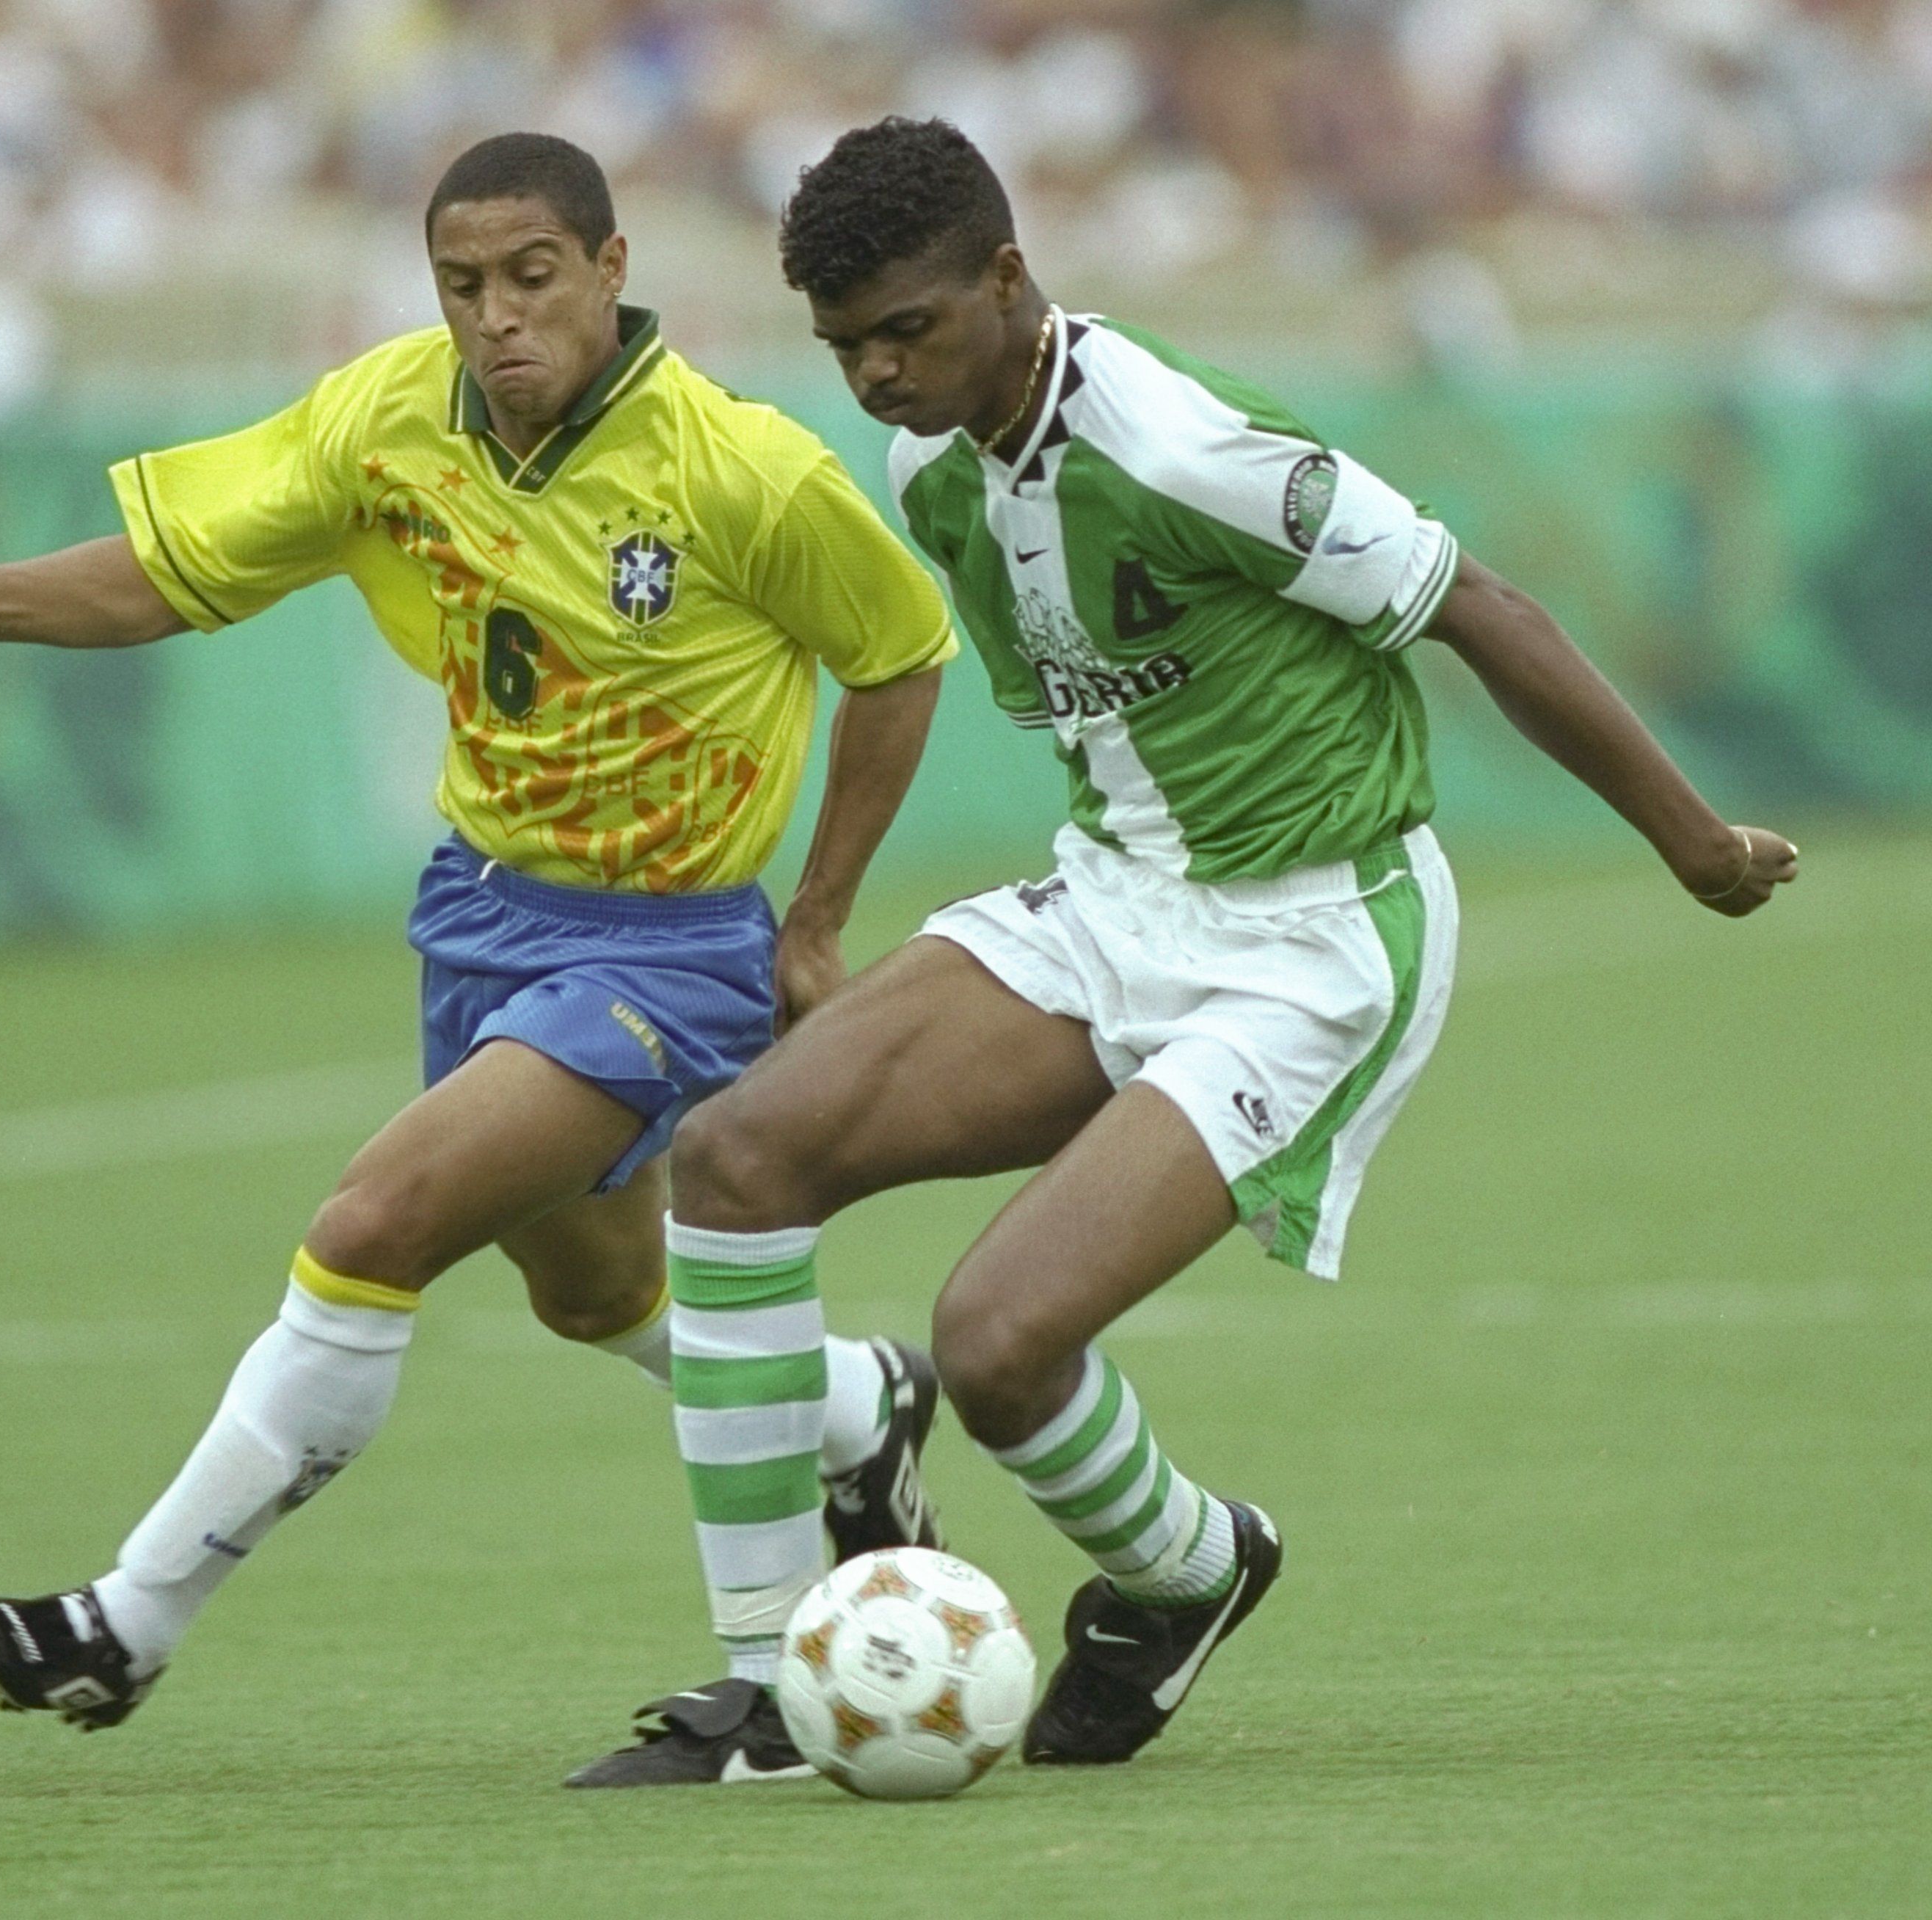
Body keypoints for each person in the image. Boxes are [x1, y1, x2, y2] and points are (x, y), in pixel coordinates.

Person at [567, 117, 1798, 1786]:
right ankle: (776, 1695)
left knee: (997, 1348)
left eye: (907, 329)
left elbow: (1480, 607)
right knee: (733, 1159)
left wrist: (1695, 844)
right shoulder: (938, 475)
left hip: (1312, 942)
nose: (875, 371)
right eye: (843, 344)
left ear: (1007, 277)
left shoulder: (1182, 441)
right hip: (1119, 903)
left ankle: (1191, 1573)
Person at [0, 132, 958, 1736]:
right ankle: (857, 1406)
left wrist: (816, 920)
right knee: (595, 1298)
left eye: (533, 278)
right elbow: (165, 574)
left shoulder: (740, 468)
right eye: (465, 285)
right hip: (484, 916)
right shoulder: (389, 415)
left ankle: (121, 1624)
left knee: (375, 1221)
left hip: (674, 950)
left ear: (614, 272)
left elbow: (899, 655)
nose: (498, 319)